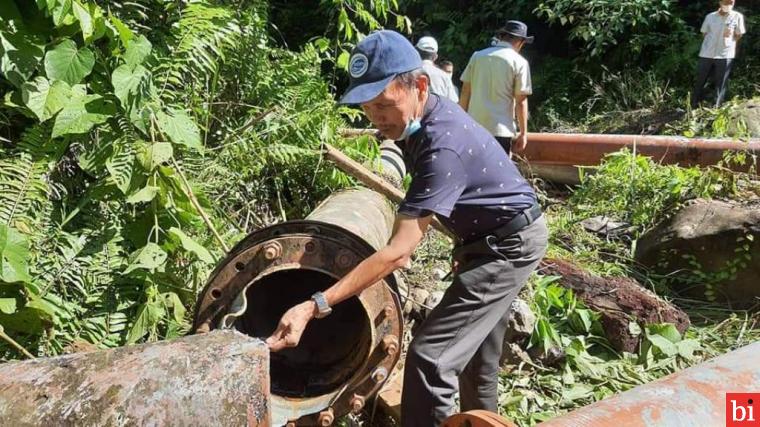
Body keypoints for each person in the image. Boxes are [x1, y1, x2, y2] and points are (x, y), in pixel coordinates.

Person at [266, 30, 548, 427]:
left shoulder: (441, 145)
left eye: (384, 103)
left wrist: (316, 304)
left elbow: (399, 251)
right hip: (487, 240)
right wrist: (467, 250)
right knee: (478, 354)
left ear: (418, 85)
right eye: (367, 107)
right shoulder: (419, 123)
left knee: (431, 359)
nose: (377, 117)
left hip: (507, 245)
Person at [460, 21, 533, 156]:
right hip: (501, 130)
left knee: (474, 170)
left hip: (474, 127)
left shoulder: (477, 56)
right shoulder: (520, 62)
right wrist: (523, 133)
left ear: (502, 36)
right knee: (498, 174)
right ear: (520, 41)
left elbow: (465, 91)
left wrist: (460, 122)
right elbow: (521, 101)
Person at [692, 0, 746, 108]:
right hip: (707, 53)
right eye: (726, 3)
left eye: (731, 3)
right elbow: (704, 32)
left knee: (721, 82)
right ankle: (694, 104)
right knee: (700, 79)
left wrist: (730, 42)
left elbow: (739, 34)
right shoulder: (710, 17)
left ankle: (716, 107)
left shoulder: (737, 16)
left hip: (725, 54)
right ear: (720, 3)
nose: (728, 5)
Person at [416, 36, 459, 103]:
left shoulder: (408, 73)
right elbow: (453, 101)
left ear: (416, 53)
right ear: (435, 57)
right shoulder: (444, 76)